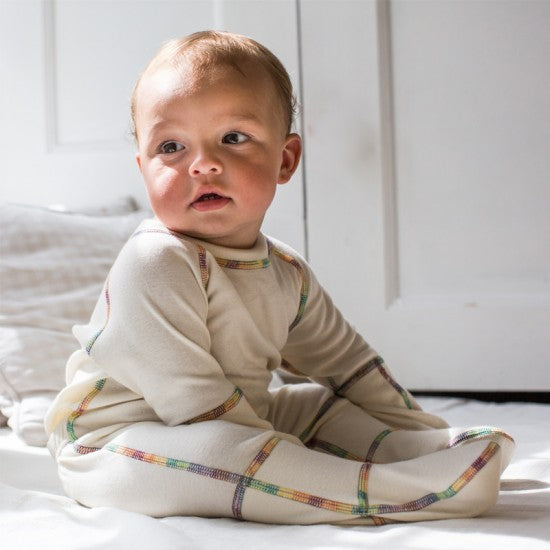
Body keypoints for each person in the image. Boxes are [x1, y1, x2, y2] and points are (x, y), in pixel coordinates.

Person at [45, 30, 514, 524]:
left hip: (237, 418)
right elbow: (195, 404)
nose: (202, 163)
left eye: (233, 138)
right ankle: (403, 493)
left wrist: (419, 428)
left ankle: (427, 454)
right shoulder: (154, 261)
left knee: (314, 404)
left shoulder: (286, 273)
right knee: (222, 451)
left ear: (285, 159)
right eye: (172, 146)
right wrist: (285, 455)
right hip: (116, 443)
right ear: (144, 169)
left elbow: (350, 365)